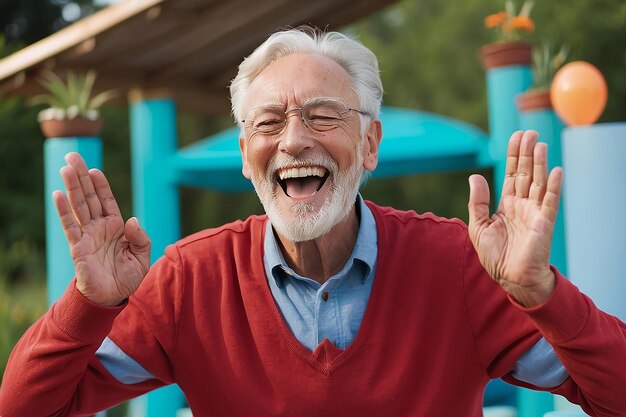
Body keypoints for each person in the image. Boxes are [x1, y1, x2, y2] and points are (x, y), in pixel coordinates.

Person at [1, 27, 625, 417]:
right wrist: (88, 303)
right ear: (246, 156)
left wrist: (542, 293)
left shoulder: (456, 266)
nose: (294, 140)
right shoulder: (191, 279)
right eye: (269, 122)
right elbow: (27, 409)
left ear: (371, 143)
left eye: (323, 115)